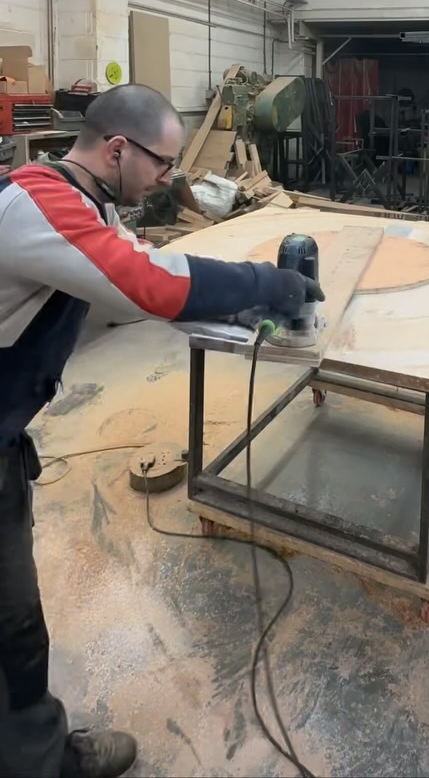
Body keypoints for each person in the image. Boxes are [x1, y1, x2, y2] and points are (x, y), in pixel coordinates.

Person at [0, 85, 324, 778]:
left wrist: (225, 315)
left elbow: (126, 277)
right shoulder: (38, 202)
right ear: (117, 148)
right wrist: (265, 284)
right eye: (162, 164)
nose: (169, 179)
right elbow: (148, 280)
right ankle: (38, 762)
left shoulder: (85, 204)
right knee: (13, 624)